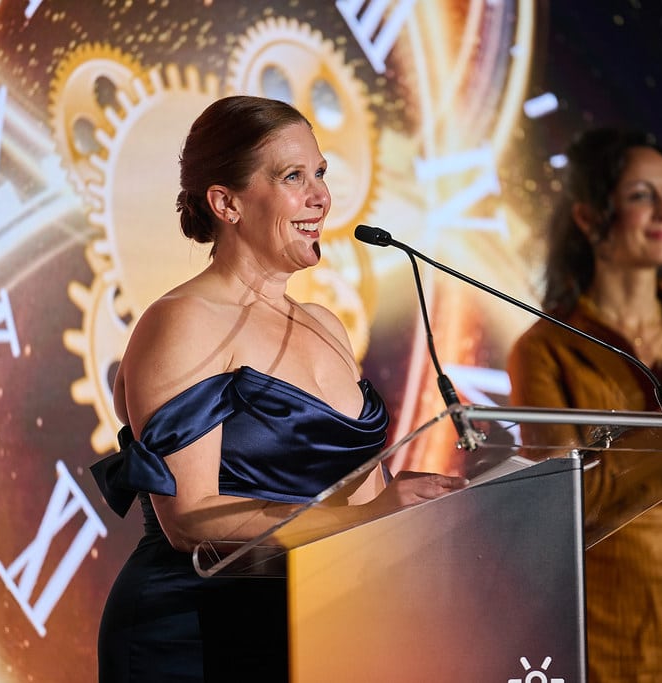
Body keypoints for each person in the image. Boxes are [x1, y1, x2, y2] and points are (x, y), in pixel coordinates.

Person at [89, 95, 467, 682]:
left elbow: (365, 497)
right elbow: (191, 519)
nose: (320, 197)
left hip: (315, 624)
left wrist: (414, 506)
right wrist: (366, 518)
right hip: (197, 633)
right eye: (294, 177)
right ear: (226, 203)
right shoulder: (184, 321)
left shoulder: (326, 324)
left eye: (320, 174)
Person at [506, 127, 662, 683]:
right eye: (643, 194)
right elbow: (568, 511)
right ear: (591, 217)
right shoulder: (547, 350)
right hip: (609, 627)